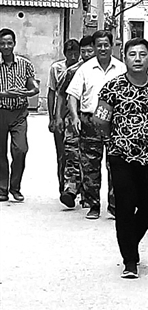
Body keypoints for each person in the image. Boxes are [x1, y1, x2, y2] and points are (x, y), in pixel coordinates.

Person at [93, 38, 148, 279]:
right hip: (121, 157)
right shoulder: (112, 87)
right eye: (132, 54)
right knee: (125, 207)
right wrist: (115, 140)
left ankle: (130, 241)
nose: (138, 59)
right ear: (124, 58)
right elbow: (100, 119)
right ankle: (129, 259)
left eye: (142, 54)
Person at [66, 30, 126, 219]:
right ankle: (93, 205)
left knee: (116, 164)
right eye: (99, 45)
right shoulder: (85, 69)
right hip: (90, 121)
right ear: (94, 47)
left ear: (111, 46)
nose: (103, 48)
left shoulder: (121, 69)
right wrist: (74, 117)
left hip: (114, 123)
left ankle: (115, 205)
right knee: (90, 166)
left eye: (106, 45)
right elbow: (72, 95)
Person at [55, 35, 95, 208]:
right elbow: (60, 94)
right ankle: (70, 190)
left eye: (89, 51)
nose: (86, 55)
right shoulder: (72, 71)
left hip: (95, 119)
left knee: (89, 159)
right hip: (73, 119)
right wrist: (58, 116)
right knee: (71, 154)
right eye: (83, 52)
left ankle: (88, 195)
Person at [0, 28, 39, 202]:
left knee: (20, 149)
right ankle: (2, 189)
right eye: (2, 43)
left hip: (19, 113)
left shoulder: (25, 64)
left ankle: (15, 187)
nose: (6, 46)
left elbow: (33, 85)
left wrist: (29, 91)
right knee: (0, 152)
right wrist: (4, 94)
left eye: (9, 43)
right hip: (1, 112)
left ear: (14, 44)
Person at [47, 39, 80, 194]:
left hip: (76, 115)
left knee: (77, 154)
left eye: (75, 53)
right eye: (69, 53)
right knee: (62, 154)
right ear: (64, 53)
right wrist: (52, 118)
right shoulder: (56, 68)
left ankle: (77, 187)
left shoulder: (82, 68)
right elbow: (52, 92)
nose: (73, 56)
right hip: (61, 114)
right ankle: (63, 186)